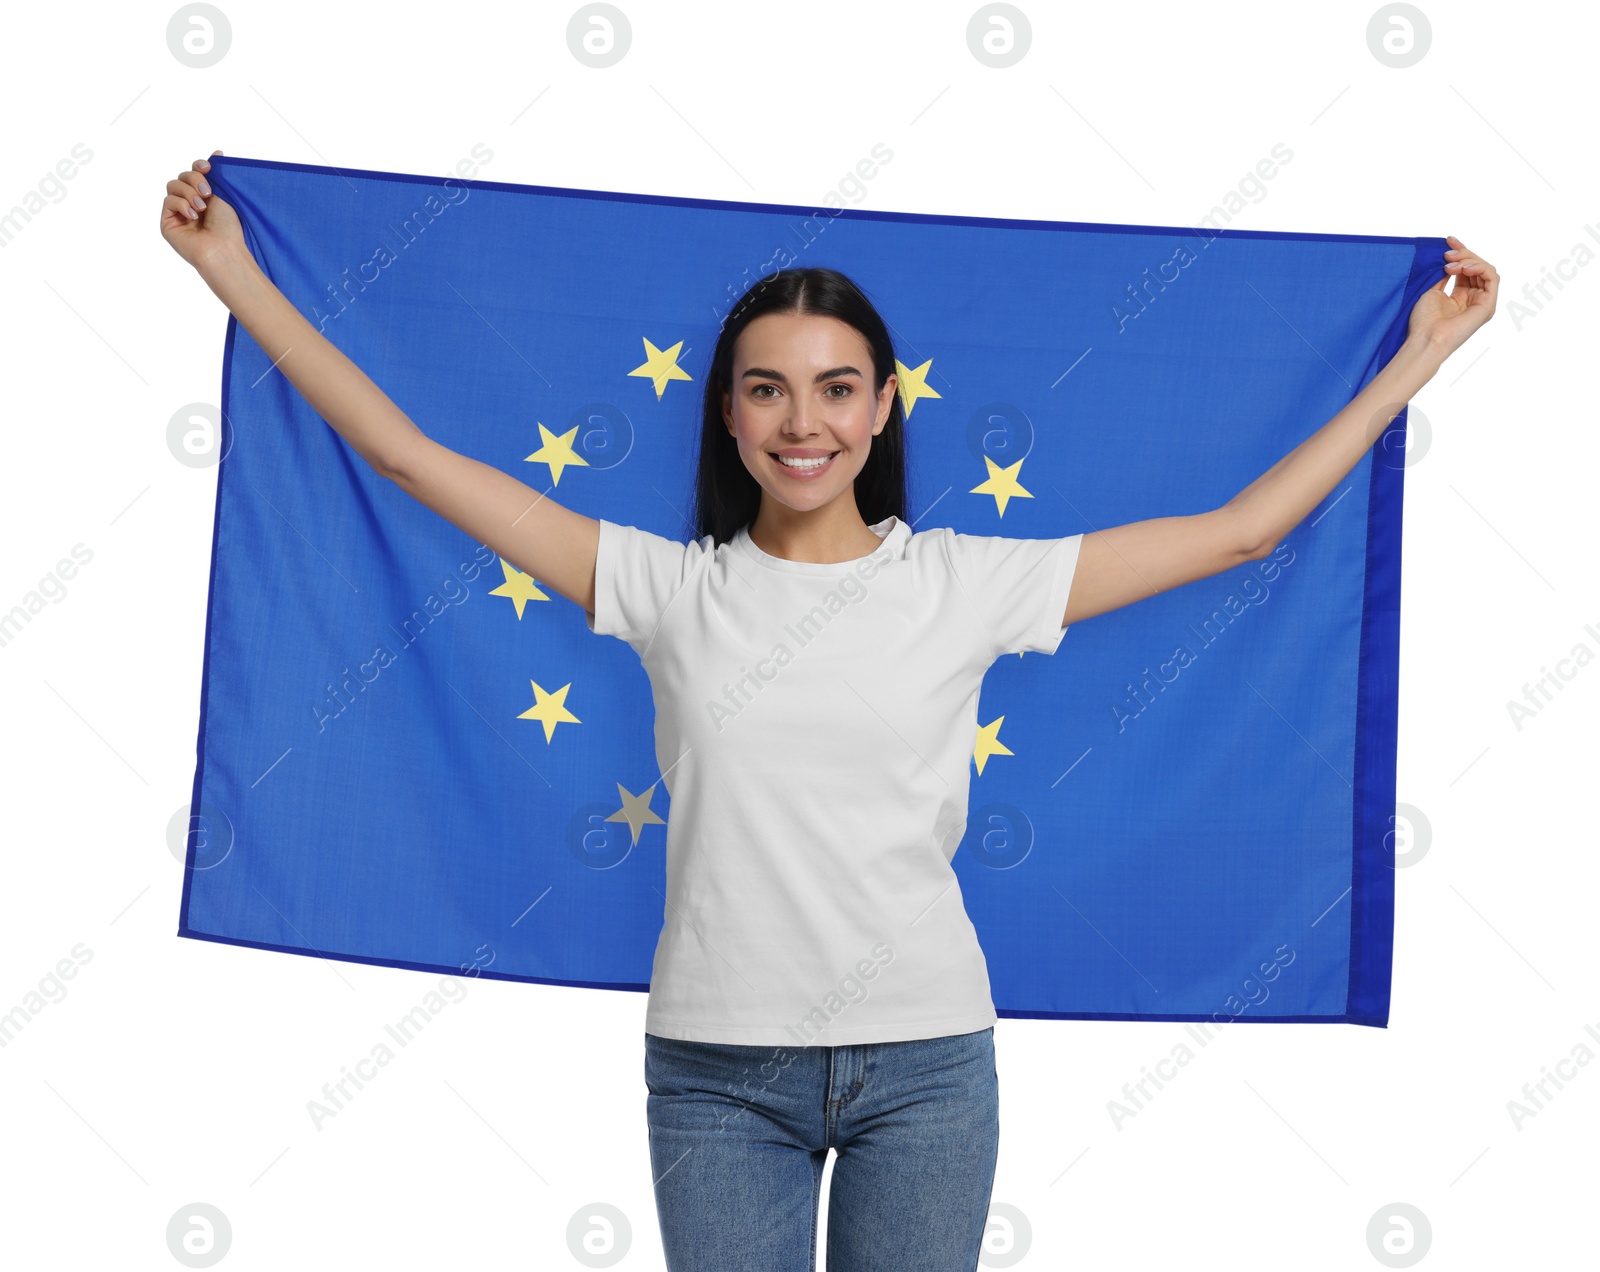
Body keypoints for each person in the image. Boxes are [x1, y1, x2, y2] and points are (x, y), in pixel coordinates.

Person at [161, 151, 1497, 1271]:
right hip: (714, 1070)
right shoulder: (665, 588)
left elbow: (1243, 534)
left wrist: (1419, 357)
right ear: (731, 421)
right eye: (767, 388)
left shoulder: (965, 584)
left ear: (880, 409)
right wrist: (232, 274)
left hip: (926, 1065)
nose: (803, 421)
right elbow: (404, 453)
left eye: (835, 387)